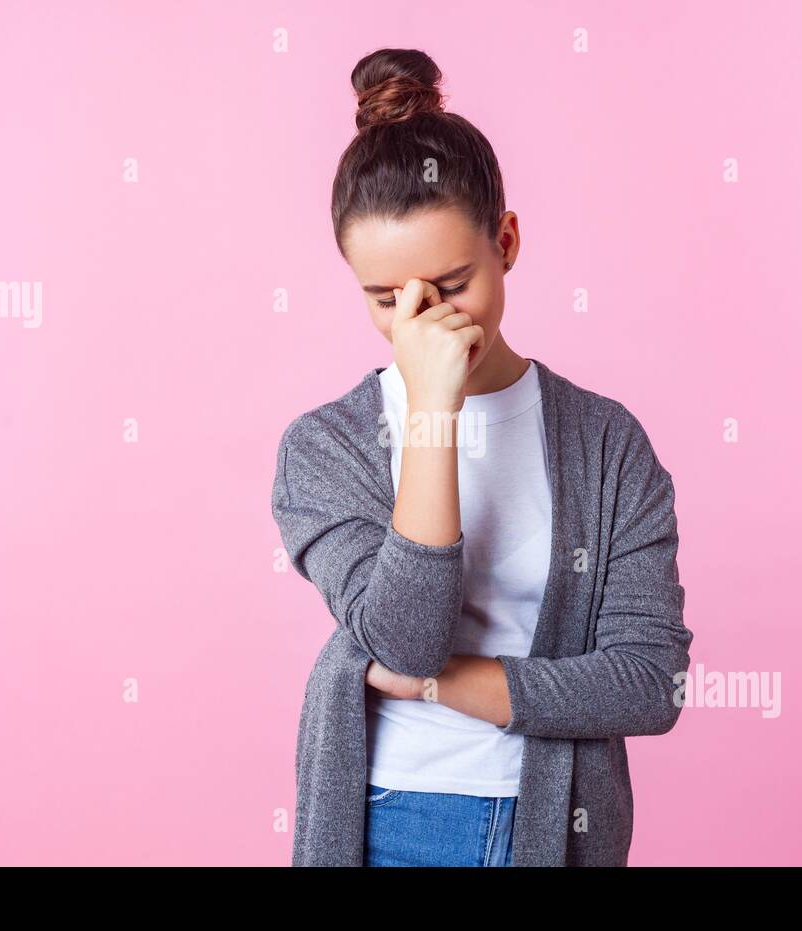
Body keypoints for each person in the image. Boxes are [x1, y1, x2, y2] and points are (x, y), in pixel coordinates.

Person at [271, 47, 695, 866]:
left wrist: (445, 688)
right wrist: (433, 410)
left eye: (451, 284)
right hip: (385, 820)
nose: (419, 323)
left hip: (553, 825)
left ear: (506, 241)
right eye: (385, 299)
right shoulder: (324, 449)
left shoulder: (606, 444)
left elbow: (650, 682)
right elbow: (406, 639)